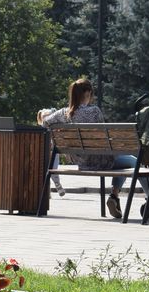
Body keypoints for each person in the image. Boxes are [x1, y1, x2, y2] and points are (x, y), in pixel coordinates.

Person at [42, 78, 136, 219]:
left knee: (127, 161)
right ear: (88, 93)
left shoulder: (63, 113)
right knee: (134, 162)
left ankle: (115, 197)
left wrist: (61, 132)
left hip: (81, 163)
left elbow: (45, 123)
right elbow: (103, 137)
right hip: (101, 162)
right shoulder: (94, 111)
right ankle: (141, 199)